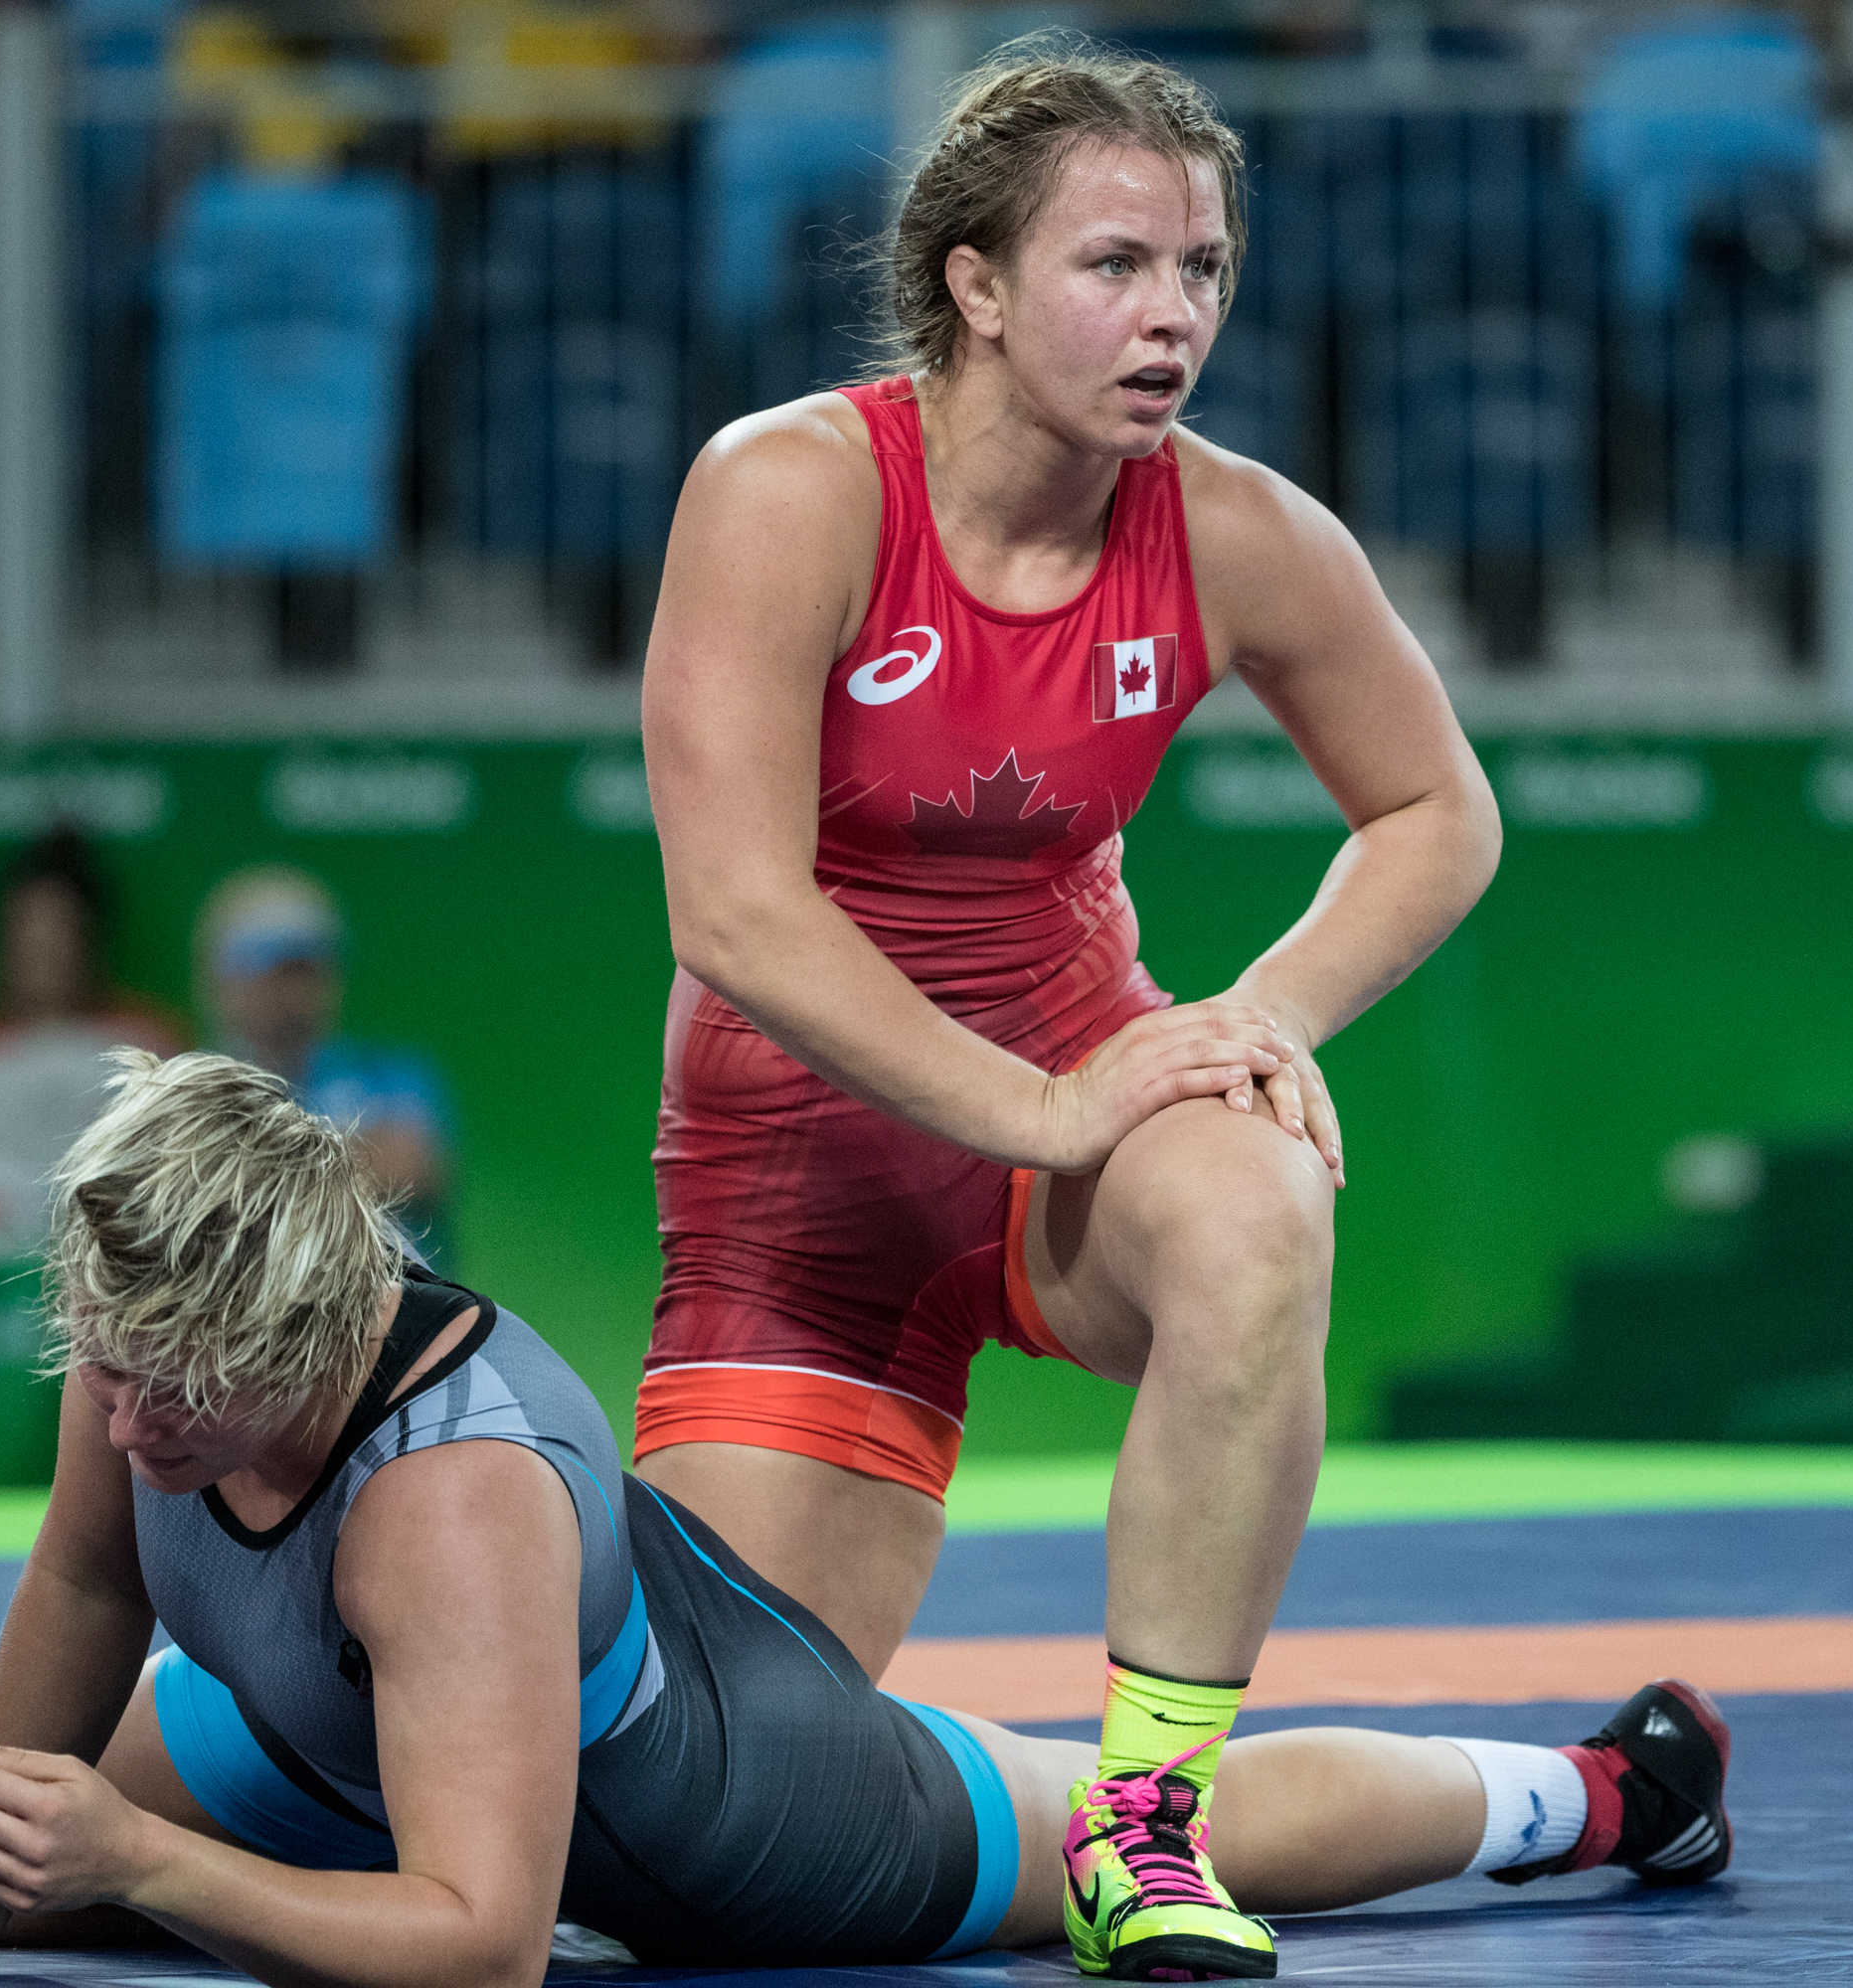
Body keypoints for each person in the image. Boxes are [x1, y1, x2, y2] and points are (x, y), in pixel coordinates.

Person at [0, 1053, 1734, 1987]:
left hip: (733, 1802)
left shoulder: (450, 1500)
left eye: (167, 1386)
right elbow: (79, 1572)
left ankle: (1604, 1793)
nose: (119, 1419)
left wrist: (135, 1846)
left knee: (1122, 1840)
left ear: (298, 1326)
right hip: (325, 1714)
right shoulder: (151, 1342)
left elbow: (482, 1950)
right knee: (19, 1861)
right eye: (101, 1370)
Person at [635, 38, 1502, 1976]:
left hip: (1070, 1146)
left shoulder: (1233, 530)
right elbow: (740, 915)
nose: (1174, 314)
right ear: (975, 282)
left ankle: (1148, 1821)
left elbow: (1440, 810)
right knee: (695, 1822)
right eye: (1116, 265)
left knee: (1265, 1191)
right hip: (805, 1202)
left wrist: (1260, 1019)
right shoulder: (786, 489)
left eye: (1203, 268)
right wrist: (1040, 1106)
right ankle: (1582, 1795)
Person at [0, 831, 187, 1236]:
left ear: (88, 942)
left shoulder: (145, 1042)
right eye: (27, 932)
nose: (41, 949)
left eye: (58, 932)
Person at [194, 865, 452, 1255]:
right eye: (278, 974)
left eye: (311, 972)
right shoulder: (192, 1088)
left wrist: (245, 1168)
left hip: (397, 1307)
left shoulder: (388, 1073)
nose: (296, 995)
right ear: (227, 980)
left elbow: (409, 1168)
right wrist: (345, 1153)